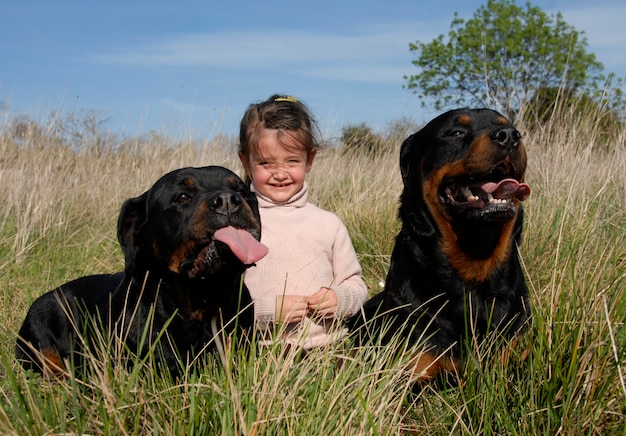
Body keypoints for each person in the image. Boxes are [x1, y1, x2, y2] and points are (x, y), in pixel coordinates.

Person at [238, 94, 368, 349]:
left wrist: (340, 299)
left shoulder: (328, 224)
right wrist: (264, 311)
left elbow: (356, 286)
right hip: (258, 351)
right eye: (265, 163)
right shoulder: (238, 225)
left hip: (328, 351)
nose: (280, 173)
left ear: (310, 160)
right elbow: (222, 302)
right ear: (246, 161)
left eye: (292, 161)